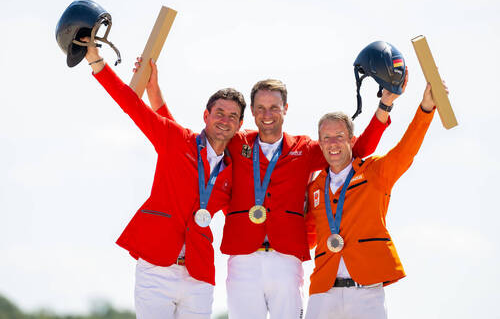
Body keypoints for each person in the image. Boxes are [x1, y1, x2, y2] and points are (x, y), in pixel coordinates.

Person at [83, 40, 246, 319]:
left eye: (233, 116)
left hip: (199, 274)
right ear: (206, 115)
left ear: (240, 124)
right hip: (156, 268)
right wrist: (96, 61)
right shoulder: (176, 140)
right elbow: (131, 105)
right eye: (219, 112)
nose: (225, 120)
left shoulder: (234, 170)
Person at [218, 78, 396, 319]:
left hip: (286, 259)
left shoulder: (303, 149)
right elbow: (195, 143)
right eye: (260, 108)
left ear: (286, 109)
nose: (266, 114)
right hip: (242, 259)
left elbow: (357, 150)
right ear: (251, 111)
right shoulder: (238, 142)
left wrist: (384, 106)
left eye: (274, 107)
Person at [304, 79, 445, 319]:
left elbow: (405, 150)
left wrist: (426, 109)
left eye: (339, 136)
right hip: (322, 290)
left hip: (366, 291)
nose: (333, 143)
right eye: (326, 138)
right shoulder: (314, 187)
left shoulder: (374, 171)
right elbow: (305, 236)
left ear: (351, 139)